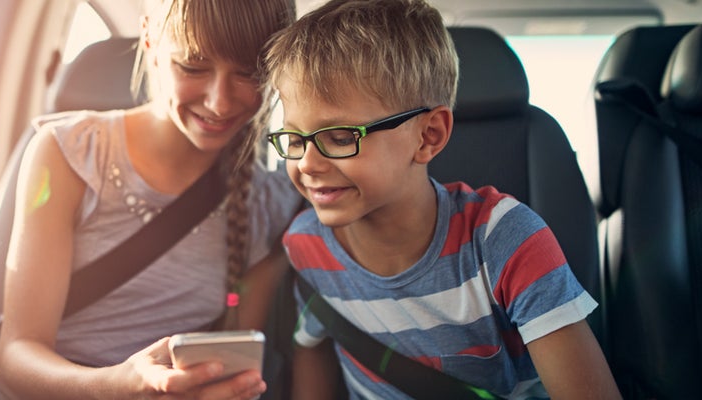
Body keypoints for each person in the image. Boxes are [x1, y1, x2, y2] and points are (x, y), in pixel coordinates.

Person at [261, 0, 622, 398]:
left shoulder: (504, 242)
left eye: (342, 137)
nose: (307, 163)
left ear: (428, 136)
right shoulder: (306, 245)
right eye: (294, 139)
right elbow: (312, 362)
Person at [0, 0, 300, 399]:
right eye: (193, 67)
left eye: (249, 73)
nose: (219, 102)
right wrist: (119, 386)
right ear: (151, 42)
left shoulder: (269, 205)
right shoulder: (72, 154)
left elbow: (233, 367)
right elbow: (15, 357)